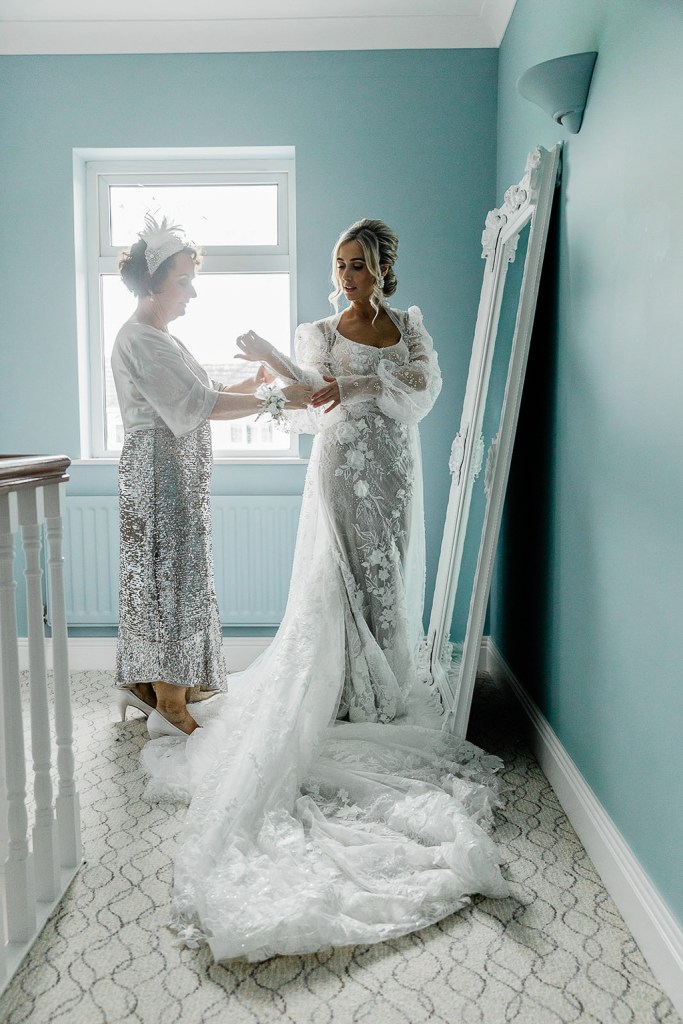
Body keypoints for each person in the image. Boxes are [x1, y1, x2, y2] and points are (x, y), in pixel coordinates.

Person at [142, 219, 509, 961]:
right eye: (339, 266)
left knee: (386, 576)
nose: (346, 277)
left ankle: (380, 679)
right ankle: (341, 690)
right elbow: (314, 396)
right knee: (337, 576)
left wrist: (366, 379)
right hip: (341, 462)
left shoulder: (407, 326)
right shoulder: (317, 329)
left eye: (358, 266)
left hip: (394, 465)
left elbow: (422, 392)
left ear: (381, 269)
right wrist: (285, 365)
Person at [112, 215, 311, 738]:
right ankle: (170, 702)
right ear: (154, 283)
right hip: (159, 474)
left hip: (172, 470)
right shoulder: (142, 339)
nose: (192, 292)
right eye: (184, 280)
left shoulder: (160, 338)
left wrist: (254, 380)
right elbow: (196, 404)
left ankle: (156, 685)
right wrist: (273, 398)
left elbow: (194, 395)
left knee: (168, 576)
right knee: (171, 578)